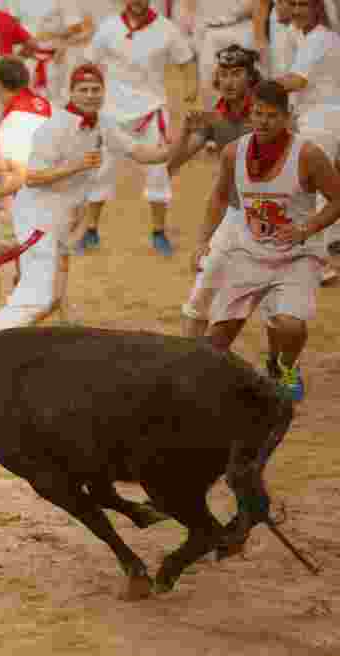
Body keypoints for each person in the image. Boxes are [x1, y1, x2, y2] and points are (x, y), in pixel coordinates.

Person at [0, 63, 169, 334]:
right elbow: (32, 178)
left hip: (61, 218)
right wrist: (76, 166)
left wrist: (187, 137)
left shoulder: (103, 123)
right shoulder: (55, 126)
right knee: (37, 297)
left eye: (96, 89)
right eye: (84, 90)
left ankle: (2, 336)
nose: (90, 95)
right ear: (71, 92)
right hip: (37, 216)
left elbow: (143, 153)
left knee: (50, 297)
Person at [200, 80, 340, 401]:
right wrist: (203, 241)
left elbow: (337, 199)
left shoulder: (308, 154)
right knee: (216, 340)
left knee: (289, 325)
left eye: (272, 115)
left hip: (297, 256)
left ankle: (286, 367)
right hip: (249, 253)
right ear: (250, 113)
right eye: (258, 114)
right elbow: (219, 196)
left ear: (287, 116)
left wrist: (306, 228)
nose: (263, 122)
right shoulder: (233, 152)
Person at [75, 0, 196, 257]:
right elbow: (87, 64)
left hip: (151, 112)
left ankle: (158, 232)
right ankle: (90, 229)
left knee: (158, 172)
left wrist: (190, 90)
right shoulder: (109, 27)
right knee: (99, 171)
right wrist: (84, 98)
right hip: (110, 114)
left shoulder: (167, 29)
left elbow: (186, 61)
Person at [168, 44, 262, 339]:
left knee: (276, 311)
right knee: (199, 303)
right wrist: (185, 130)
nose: (229, 81)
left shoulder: (267, 113)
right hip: (233, 215)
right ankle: (191, 361)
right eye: (224, 74)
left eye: (237, 73)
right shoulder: (214, 118)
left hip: (272, 217)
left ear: (250, 77)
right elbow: (173, 164)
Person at [0, 56, 53, 324]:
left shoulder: (13, 122)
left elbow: (24, 175)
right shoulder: (43, 105)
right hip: (55, 201)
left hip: (28, 205)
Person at [274, 0, 340, 258]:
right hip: (322, 117)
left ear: (317, 8)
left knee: (318, 188)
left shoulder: (317, 39)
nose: (297, 10)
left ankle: (320, 255)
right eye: (294, 4)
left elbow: (296, 81)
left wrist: (257, 88)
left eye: (304, 4)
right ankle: (330, 247)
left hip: (320, 121)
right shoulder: (314, 36)